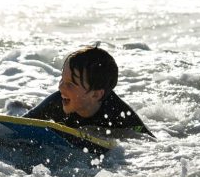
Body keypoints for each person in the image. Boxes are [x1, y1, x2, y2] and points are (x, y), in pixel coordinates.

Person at [23, 44, 153, 138]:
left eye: (70, 84)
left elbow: (147, 141)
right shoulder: (56, 103)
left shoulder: (118, 113)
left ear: (96, 94)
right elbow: (18, 125)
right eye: (62, 80)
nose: (61, 88)